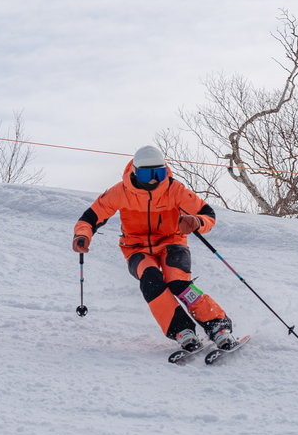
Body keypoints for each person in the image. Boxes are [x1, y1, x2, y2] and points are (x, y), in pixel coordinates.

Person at [72, 144, 234, 352]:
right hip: (136, 249)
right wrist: (82, 234)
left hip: (172, 243)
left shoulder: (174, 189)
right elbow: (91, 217)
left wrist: (196, 222)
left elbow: (208, 214)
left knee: (178, 282)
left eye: (158, 172)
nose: (153, 180)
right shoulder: (120, 192)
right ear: (135, 172)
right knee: (151, 281)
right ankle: (182, 331)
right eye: (148, 173)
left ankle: (217, 325)